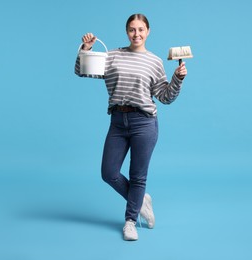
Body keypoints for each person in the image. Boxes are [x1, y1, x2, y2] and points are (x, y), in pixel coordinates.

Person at [75, 14, 187, 241]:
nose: (137, 34)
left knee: (138, 176)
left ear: (148, 32)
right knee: (109, 173)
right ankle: (140, 200)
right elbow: (82, 71)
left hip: (144, 122)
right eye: (132, 30)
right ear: (127, 32)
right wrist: (85, 49)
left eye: (141, 30)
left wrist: (178, 78)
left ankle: (130, 221)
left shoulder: (154, 61)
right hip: (117, 121)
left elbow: (165, 97)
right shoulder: (112, 56)